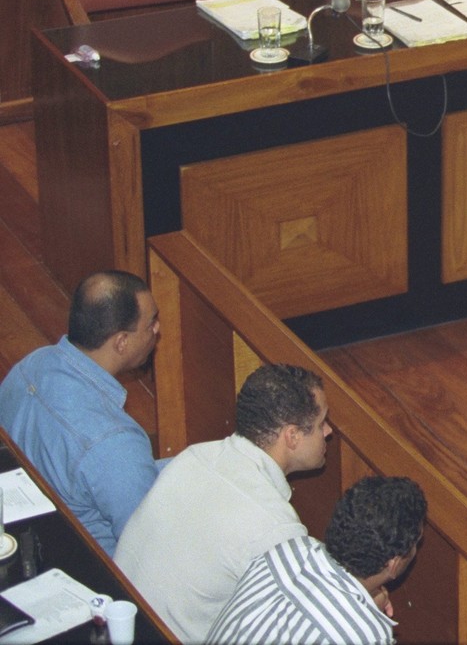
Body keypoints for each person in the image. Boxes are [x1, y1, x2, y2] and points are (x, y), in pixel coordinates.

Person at [116, 363, 332, 642]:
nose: (328, 431)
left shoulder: (194, 455)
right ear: (292, 436)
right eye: (321, 424)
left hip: (120, 618)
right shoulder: (276, 529)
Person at [0, 271, 162, 552]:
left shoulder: (31, 365)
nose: (157, 330)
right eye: (151, 323)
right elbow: (147, 548)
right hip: (98, 565)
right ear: (121, 342)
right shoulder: (116, 442)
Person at [206, 475, 428, 645]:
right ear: (394, 563)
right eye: (415, 543)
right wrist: (368, 617)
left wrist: (366, 610)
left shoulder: (290, 549)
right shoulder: (364, 635)